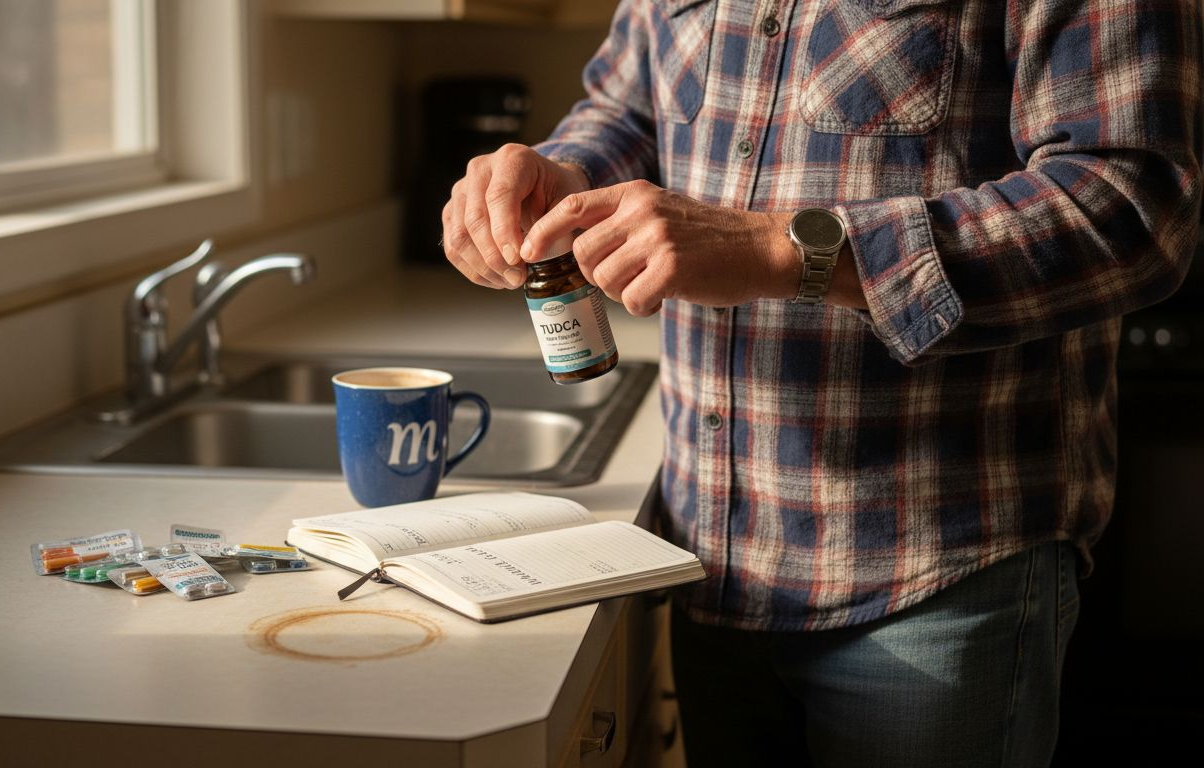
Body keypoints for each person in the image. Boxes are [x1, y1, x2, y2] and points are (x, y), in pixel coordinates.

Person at [440, 1, 1201, 766]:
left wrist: (789, 249)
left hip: (937, 569)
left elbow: (1130, 202)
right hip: (711, 554)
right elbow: (628, 107)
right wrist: (563, 175)